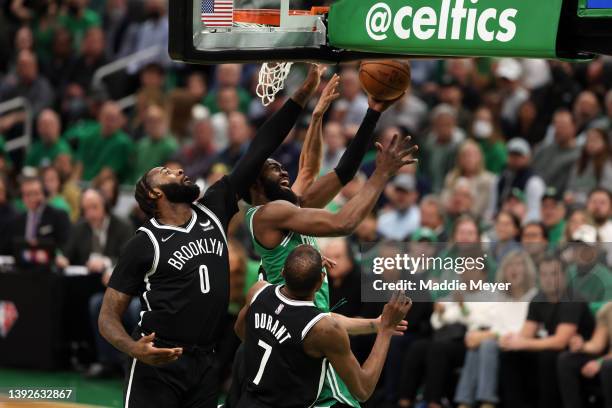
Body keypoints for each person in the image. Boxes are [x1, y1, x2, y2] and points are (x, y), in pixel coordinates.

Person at [97, 64, 325, 408]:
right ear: (155, 195)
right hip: (158, 362)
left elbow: (259, 148)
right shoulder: (144, 242)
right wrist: (134, 350)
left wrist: (302, 95)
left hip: (206, 362)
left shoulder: (214, 207)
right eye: (166, 172)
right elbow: (107, 316)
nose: (178, 170)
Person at [242, 94, 417, 408]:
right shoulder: (269, 214)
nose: (283, 171)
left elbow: (314, 170)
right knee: (351, 395)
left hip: (298, 321)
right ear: (253, 183)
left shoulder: (287, 212)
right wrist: (381, 174)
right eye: (272, 168)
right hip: (301, 329)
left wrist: (322, 116)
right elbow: (343, 223)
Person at [234, 245, 412, 407]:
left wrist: (377, 324)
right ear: (321, 282)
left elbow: (241, 331)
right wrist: (386, 331)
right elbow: (363, 390)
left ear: (282, 272)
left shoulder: (258, 291)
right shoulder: (323, 329)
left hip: (248, 400)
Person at [499, 255, 595, 408]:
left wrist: (522, 342)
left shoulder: (572, 299)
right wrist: (511, 340)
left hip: (583, 350)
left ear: (564, 276)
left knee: (548, 355)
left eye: (553, 274)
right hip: (556, 347)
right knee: (509, 353)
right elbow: (526, 335)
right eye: (544, 274)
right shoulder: (538, 299)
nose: (548, 279)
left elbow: (561, 341)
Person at [558, 302, 612, 408]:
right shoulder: (608, 309)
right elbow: (597, 344)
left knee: (607, 366)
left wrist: (600, 362)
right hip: (608, 358)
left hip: (609, 362)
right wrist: (581, 345)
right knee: (567, 359)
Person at [2, 175, 71, 256]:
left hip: (49, 266)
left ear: (43, 193)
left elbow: (66, 246)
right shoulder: (17, 220)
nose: (32, 198)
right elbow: (8, 248)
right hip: (22, 265)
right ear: (22, 198)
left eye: (35, 193)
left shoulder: (58, 216)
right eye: (27, 194)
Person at [565, 127, 612, 206]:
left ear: (604, 142)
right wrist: (568, 194)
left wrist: (577, 198)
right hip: (573, 204)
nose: (591, 143)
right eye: (589, 140)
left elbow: (606, 192)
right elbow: (570, 185)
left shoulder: (607, 165)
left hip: (594, 206)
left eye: (595, 140)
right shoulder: (579, 162)